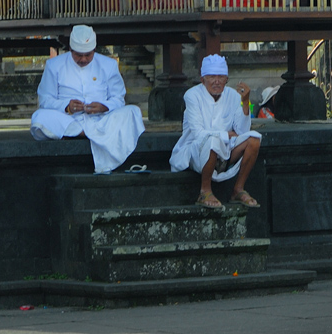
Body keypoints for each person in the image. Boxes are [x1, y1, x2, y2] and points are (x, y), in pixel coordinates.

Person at [30, 24, 145, 174]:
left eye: (88, 55)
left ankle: (86, 133)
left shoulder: (108, 65)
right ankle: (87, 133)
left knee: (133, 112)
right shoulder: (54, 65)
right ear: (70, 50)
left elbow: (118, 98)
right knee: (39, 117)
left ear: (94, 50)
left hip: (101, 121)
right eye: (78, 55)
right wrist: (67, 107)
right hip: (69, 121)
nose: (83, 59)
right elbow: (45, 100)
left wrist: (104, 106)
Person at [170, 54, 262, 209]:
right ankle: (205, 191)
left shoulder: (233, 95)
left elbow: (241, 131)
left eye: (221, 77)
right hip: (196, 150)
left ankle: (238, 189)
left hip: (225, 150)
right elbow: (199, 134)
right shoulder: (192, 95)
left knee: (254, 139)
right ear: (203, 79)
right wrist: (224, 135)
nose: (217, 81)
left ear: (227, 79)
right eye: (212, 77)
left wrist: (245, 103)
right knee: (212, 140)